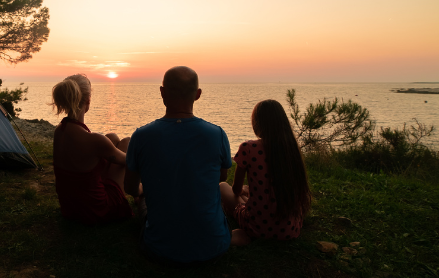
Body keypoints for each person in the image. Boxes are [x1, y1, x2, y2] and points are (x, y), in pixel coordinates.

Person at [124, 66, 232, 265]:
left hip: (159, 250)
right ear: (198, 95)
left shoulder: (141, 136)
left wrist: (142, 190)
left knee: (144, 200)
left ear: (162, 92)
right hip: (214, 247)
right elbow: (221, 178)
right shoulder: (217, 134)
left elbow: (130, 188)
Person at [51, 74, 140, 225]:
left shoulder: (59, 131)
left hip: (70, 208)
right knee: (126, 143)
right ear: (88, 101)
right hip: (95, 211)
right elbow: (130, 161)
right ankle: (140, 191)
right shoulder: (93, 140)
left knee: (112, 137)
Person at [220, 99, 312, 245]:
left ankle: (246, 229)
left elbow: (236, 190)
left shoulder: (248, 148)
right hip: (291, 229)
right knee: (250, 196)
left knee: (223, 187)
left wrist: (243, 190)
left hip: (258, 227)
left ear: (257, 124)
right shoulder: (291, 149)